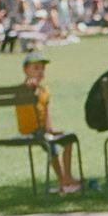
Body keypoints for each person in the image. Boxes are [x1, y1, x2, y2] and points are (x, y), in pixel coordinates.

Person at [16, 53, 83, 195]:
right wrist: (29, 89)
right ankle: (62, 180)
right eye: (36, 68)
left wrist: (51, 130)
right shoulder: (21, 89)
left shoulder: (44, 90)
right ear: (25, 70)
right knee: (50, 144)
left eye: (42, 68)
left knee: (69, 138)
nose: (40, 71)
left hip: (42, 131)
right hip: (30, 131)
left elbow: (46, 115)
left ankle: (67, 176)